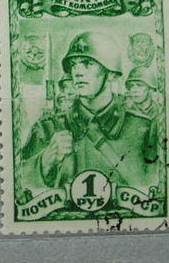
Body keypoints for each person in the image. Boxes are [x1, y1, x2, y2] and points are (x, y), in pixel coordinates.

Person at [24, 31, 159, 195]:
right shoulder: (47, 128)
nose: (77, 72)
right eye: (74, 65)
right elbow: (18, 183)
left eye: (87, 63)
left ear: (111, 74)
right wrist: (44, 161)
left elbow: (156, 184)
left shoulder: (142, 126)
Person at [20, 77, 76, 159]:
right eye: (65, 88)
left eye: (73, 87)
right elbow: (30, 158)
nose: (69, 92)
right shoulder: (46, 125)